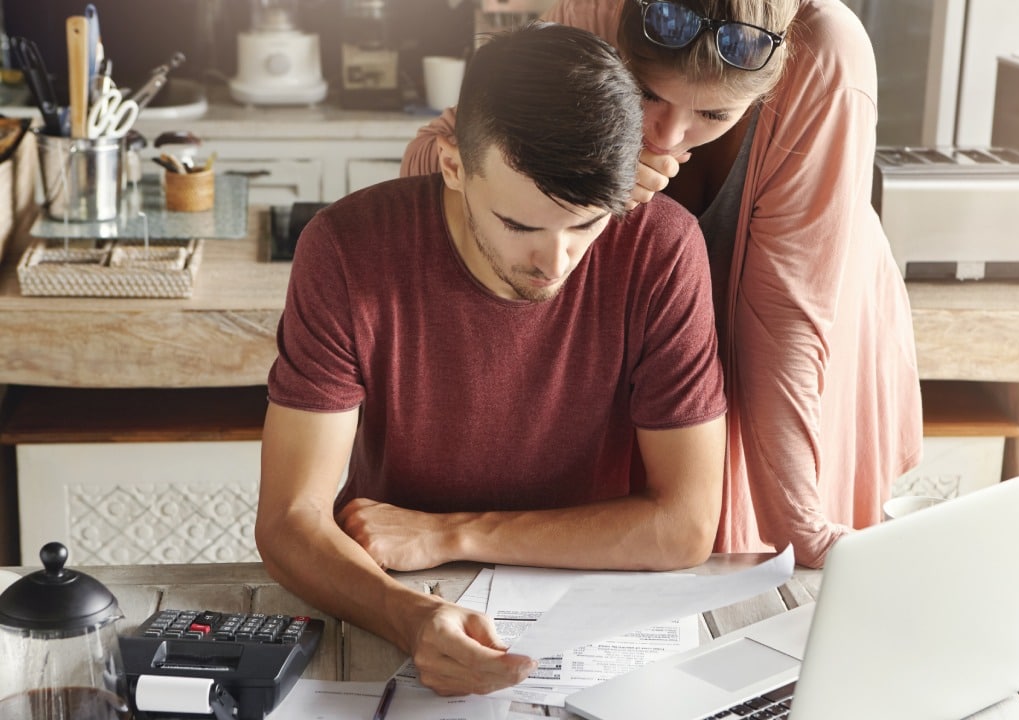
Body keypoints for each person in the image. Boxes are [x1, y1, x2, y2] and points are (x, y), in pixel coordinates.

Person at [257, 22, 728, 697]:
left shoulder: (664, 250)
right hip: (399, 594)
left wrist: (450, 534)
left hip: (594, 617)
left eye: (587, 224)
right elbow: (288, 520)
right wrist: (412, 619)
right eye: (520, 225)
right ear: (452, 164)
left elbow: (684, 528)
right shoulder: (345, 249)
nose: (556, 262)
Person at [402, 0, 924, 569]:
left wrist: (802, 526)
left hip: (806, 329)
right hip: (659, 347)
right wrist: (590, 175)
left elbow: (786, 321)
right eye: (646, 92)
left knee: (776, 569)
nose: (670, 133)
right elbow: (440, 157)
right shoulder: (588, 14)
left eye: (716, 114)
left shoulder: (824, 53)